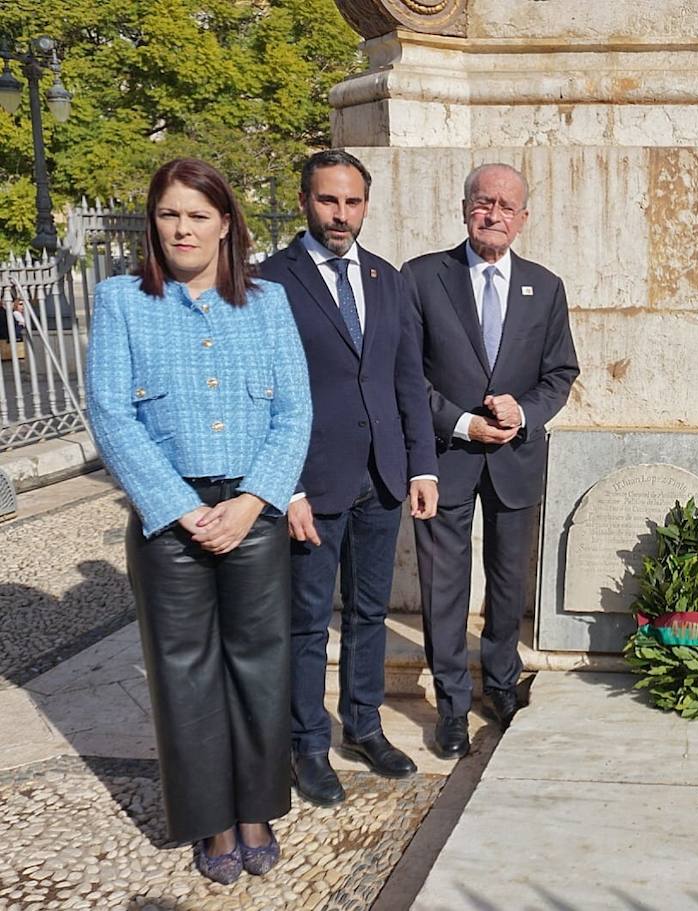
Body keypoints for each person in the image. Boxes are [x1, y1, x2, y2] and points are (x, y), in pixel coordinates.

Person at [87, 158, 311, 883]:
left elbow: (293, 411)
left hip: (252, 508)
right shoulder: (123, 301)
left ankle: (257, 806)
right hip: (168, 516)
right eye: (168, 214)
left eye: (197, 214)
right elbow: (112, 413)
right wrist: (182, 508)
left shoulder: (268, 303)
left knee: (259, 663)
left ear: (225, 224)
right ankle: (212, 820)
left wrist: (251, 502)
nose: (182, 228)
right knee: (185, 671)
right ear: (154, 223)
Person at [258, 150, 440, 807]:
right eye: (329, 201)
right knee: (307, 621)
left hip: (382, 476)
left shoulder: (387, 279)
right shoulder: (270, 281)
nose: (341, 214)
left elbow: (405, 379)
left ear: (366, 205)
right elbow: (264, 392)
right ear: (306, 200)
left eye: (352, 202)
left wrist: (421, 463)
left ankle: (362, 724)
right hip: (310, 481)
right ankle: (307, 742)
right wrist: (287, 486)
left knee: (369, 611)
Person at [402, 163, 579, 758]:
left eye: (507, 206)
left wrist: (523, 412)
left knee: (508, 583)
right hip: (446, 456)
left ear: (523, 219)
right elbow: (407, 374)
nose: (494, 214)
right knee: (444, 587)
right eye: (484, 202)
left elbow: (560, 373)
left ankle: (501, 683)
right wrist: (461, 421)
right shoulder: (423, 278)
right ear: (464, 208)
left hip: (515, 461)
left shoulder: (545, 286)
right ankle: (452, 702)